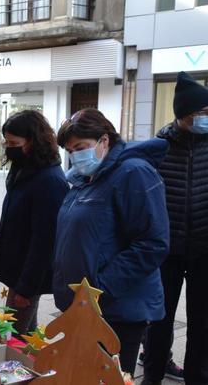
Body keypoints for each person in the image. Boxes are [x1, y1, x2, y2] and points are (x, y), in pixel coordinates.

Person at [53, 108, 170, 375]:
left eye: (80, 147)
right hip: (84, 305)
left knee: (109, 377)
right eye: (70, 151)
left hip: (116, 310)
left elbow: (152, 243)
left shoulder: (134, 173)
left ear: (104, 140)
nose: (75, 156)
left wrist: (99, 288)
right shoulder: (85, 179)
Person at [142, 71, 208, 385]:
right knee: (158, 318)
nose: (206, 118)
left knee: (203, 321)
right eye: (201, 114)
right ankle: (153, 374)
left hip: (205, 248)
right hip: (165, 250)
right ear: (183, 115)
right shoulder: (158, 147)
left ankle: (198, 376)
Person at [0, 110, 68, 336]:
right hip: (17, 270)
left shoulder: (50, 180)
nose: (7, 146)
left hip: (27, 276)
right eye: (6, 141)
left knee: (12, 336)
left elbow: (44, 241)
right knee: (26, 333)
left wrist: (26, 288)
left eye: (13, 142)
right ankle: (34, 364)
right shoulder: (24, 167)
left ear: (33, 142)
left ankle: (25, 368)